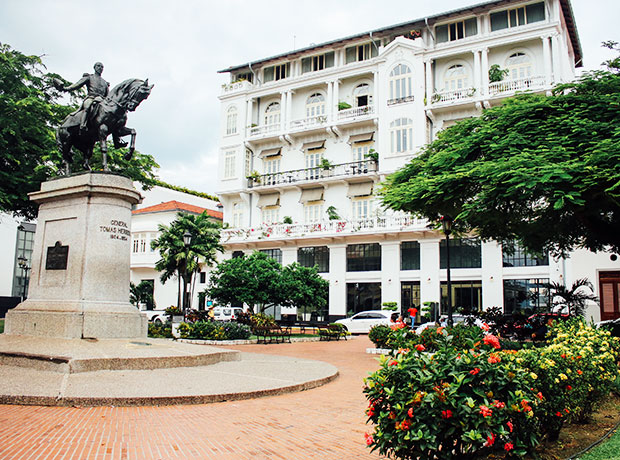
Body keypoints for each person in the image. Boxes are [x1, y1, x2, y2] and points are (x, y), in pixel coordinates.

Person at [62, 62, 110, 132]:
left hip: (101, 100)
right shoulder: (89, 77)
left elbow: (107, 95)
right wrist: (66, 88)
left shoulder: (105, 82)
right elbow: (76, 85)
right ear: (95, 67)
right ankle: (83, 125)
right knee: (88, 106)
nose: (100, 68)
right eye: (98, 66)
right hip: (91, 98)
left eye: (102, 67)